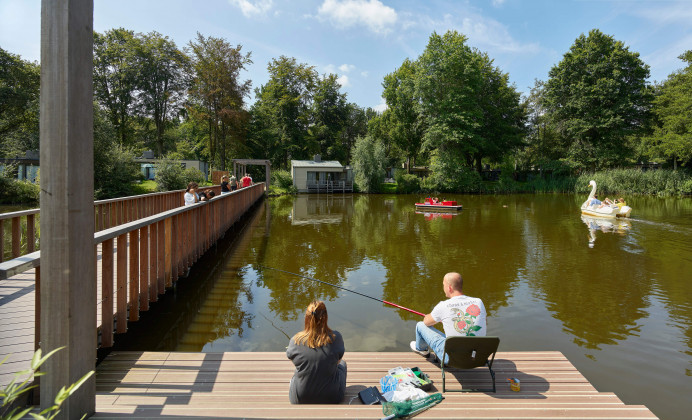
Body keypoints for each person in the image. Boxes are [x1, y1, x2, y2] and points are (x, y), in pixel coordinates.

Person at [410, 272, 487, 365]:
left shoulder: (443, 305)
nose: (443, 288)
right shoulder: (479, 302)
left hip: (452, 359)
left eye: (443, 285)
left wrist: (429, 317)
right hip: (477, 357)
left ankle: (422, 350)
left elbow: (426, 322)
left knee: (420, 325)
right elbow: (482, 321)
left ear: (449, 287)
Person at [287, 300, 347, 404]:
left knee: (297, 371)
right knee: (343, 364)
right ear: (326, 317)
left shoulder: (295, 340)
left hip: (300, 398)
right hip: (332, 397)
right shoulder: (336, 338)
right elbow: (337, 362)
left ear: (306, 318)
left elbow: (292, 359)